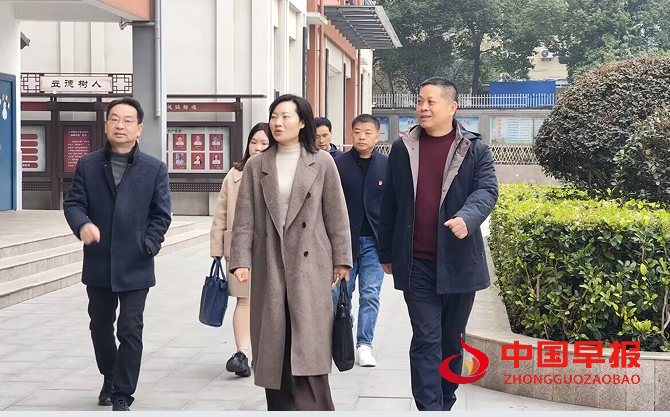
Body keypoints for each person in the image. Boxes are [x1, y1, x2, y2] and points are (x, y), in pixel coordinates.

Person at [377, 77, 498, 411]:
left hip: (459, 262)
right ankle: (430, 408)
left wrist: (467, 218)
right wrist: (385, 250)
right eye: (420, 101)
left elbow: (487, 190)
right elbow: (390, 203)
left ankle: (446, 401)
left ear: (452, 107)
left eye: (431, 101)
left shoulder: (474, 149)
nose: (423, 108)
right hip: (417, 263)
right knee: (426, 338)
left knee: (451, 341)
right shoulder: (403, 148)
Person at [229, 94, 352, 411]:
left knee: (308, 341)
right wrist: (240, 260)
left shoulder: (321, 161)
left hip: (311, 263)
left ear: (302, 122)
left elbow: (336, 213)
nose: (277, 122)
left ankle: (314, 406)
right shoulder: (257, 165)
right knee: (275, 340)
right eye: (274, 116)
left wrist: (342, 259)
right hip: (270, 260)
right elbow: (244, 218)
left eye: (285, 116)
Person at [63, 97, 172, 411]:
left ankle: (123, 393)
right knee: (99, 327)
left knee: (130, 328)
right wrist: (82, 225)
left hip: (136, 262)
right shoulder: (88, 164)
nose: (120, 125)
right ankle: (110, 375)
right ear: (106, 125)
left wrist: (148, 244)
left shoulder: (154, 168)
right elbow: (73, 203)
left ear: (139, 128)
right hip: (99, 261)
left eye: (127, 120)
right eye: (114, 119)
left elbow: (161, 215)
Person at [210, 122, 271, 378]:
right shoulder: (234, 175)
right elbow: (221, 214)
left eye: (264, 143)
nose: (258, 148)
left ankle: (266, 353)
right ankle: (242, 353)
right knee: (243, 300)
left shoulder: (281, 172)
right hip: (239, 248)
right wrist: (216, 248)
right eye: (254, 142)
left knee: (270, 301)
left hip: (270, 248)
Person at [332, 114, 387, 368]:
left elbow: (394, 208)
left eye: (367, 132)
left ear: (377, 136)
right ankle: (340, 338)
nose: (362, 137)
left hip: (374, 242)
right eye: (357, 132)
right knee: (341, 293)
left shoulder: (386, 166)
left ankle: (365, 344)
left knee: (370, 294)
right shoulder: (338, 165)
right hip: (344, 242)